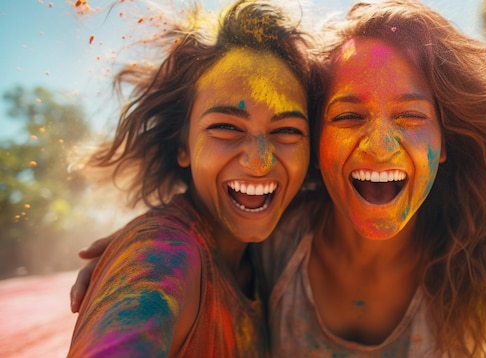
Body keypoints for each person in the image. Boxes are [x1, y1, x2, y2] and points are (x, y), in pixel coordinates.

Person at [71, 0, 486, 357]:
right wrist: (147, 246)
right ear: (318, 143)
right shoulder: (271, 239)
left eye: (410, 117)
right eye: (347, 116)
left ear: (446, 142)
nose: (381, 145)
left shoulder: (481, 261)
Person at [67, 0, 317, 356]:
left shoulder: (273, 254)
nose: (260, 162)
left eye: (288, 131)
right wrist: (142, 250)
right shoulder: (161, 254)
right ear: (182, 144)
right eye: (226, 127)